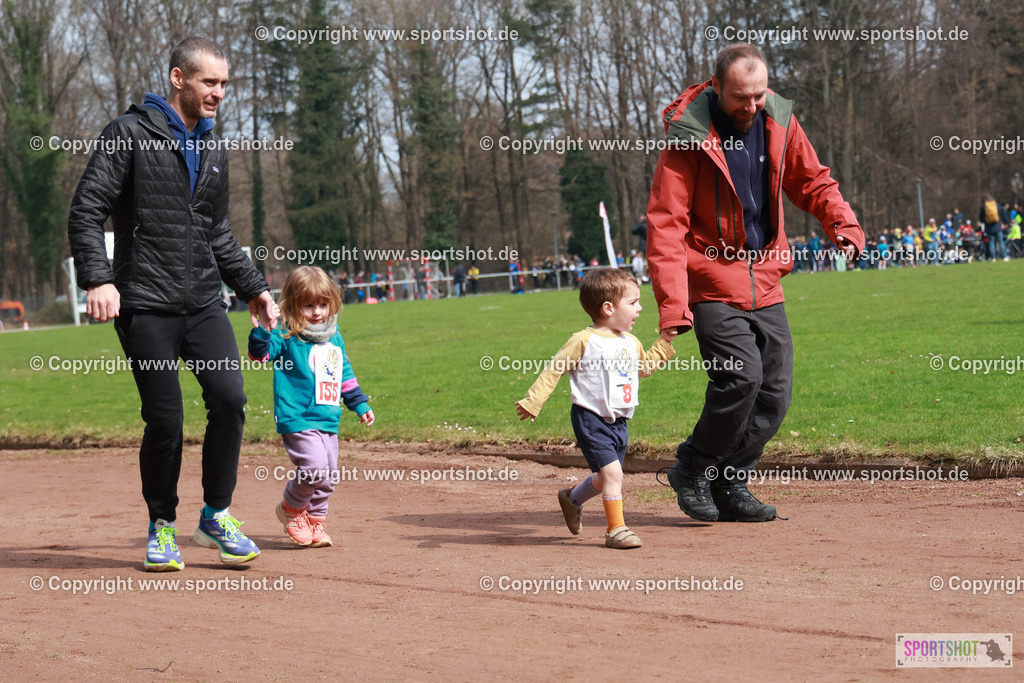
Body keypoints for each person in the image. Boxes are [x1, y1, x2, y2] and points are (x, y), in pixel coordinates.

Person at [67, 37, 278, 570]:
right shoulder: (128, 133)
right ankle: (161, 525)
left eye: (225, 84)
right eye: (211, 82)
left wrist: (254, 286)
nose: (220, 93)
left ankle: (216, 517)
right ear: (179, 79)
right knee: (165, 420)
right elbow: (86, 209)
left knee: (229, 400)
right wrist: (97, 279)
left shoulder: (214, 147)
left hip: (204, 300)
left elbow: (217, 231)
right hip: (144, 302)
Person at [646, 43, 863, 522]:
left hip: (765, 277)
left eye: (759, 95)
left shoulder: (779, 122)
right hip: (710, 278)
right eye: (741, 98)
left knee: (775, 393)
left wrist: (841, 223)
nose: (751, 106)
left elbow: (813, 182)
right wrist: (673, 309)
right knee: (740, 377)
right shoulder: (688, 139)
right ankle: (693, 467)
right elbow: (665, 225)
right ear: (717, 87)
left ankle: (730, 481)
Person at [515, 268, 675, 548]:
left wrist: (665, 342)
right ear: (608, 308)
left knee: (603, 478)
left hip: (619, 422)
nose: (640, 309)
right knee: (614, 475)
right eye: (634, 302)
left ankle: (572, 498)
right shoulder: (583, 340)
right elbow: (555, 369)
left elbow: (646, 368)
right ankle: (616, 530)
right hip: (590, 418)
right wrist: (533, 400)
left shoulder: (631, 342)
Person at [248, 266, 374, 548]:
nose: (317, 312)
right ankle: (291, 509)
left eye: (322, 304)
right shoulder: (286, 335)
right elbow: (262, 355)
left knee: (329, 475)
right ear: (293, 305)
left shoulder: (334, 336)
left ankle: (315, 521)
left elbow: (344, 373)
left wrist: (359, 403)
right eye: (308, 305)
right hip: (297, 416)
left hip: (327, 416)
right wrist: (262, 334)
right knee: (315, 467)